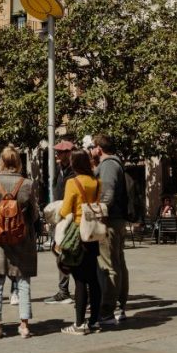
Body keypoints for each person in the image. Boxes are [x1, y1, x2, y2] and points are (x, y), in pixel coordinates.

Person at [0, 145, 39, 339]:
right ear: (18, 162)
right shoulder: (27, 184)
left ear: (1, 161)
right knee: (23, 280)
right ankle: (24, 324)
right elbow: (34, 214)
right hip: (22, 239)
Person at [58, 149, 103, 335]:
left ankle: (79, 323)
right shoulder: (96, 182)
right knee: (93, 278)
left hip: (77, 231)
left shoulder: (72, 182)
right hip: (92, 233)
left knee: (79, 279)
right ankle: (94, 321)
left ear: (74, 164)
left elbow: (65, 209)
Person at [89, 134, 130, 326]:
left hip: (110, 221)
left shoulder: (108, 165)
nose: (91, 150)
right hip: (117, 220)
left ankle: (107, 311)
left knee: (109, 266)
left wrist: (99, 216)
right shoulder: (115, 164)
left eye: (92, 147)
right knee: (118, 263)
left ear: (99, 148)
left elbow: (107, 193)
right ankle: (119, 306)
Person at [45, 140, 75, 305]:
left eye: (61, 152)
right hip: (60, 216)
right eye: (57, 152)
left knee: (69, 253)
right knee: (59, 253)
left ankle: (71, 291)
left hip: (71, 217)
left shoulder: (75, 171)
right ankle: (63, 291)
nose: (57, 154)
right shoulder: (59, 169)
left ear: (69, 153)